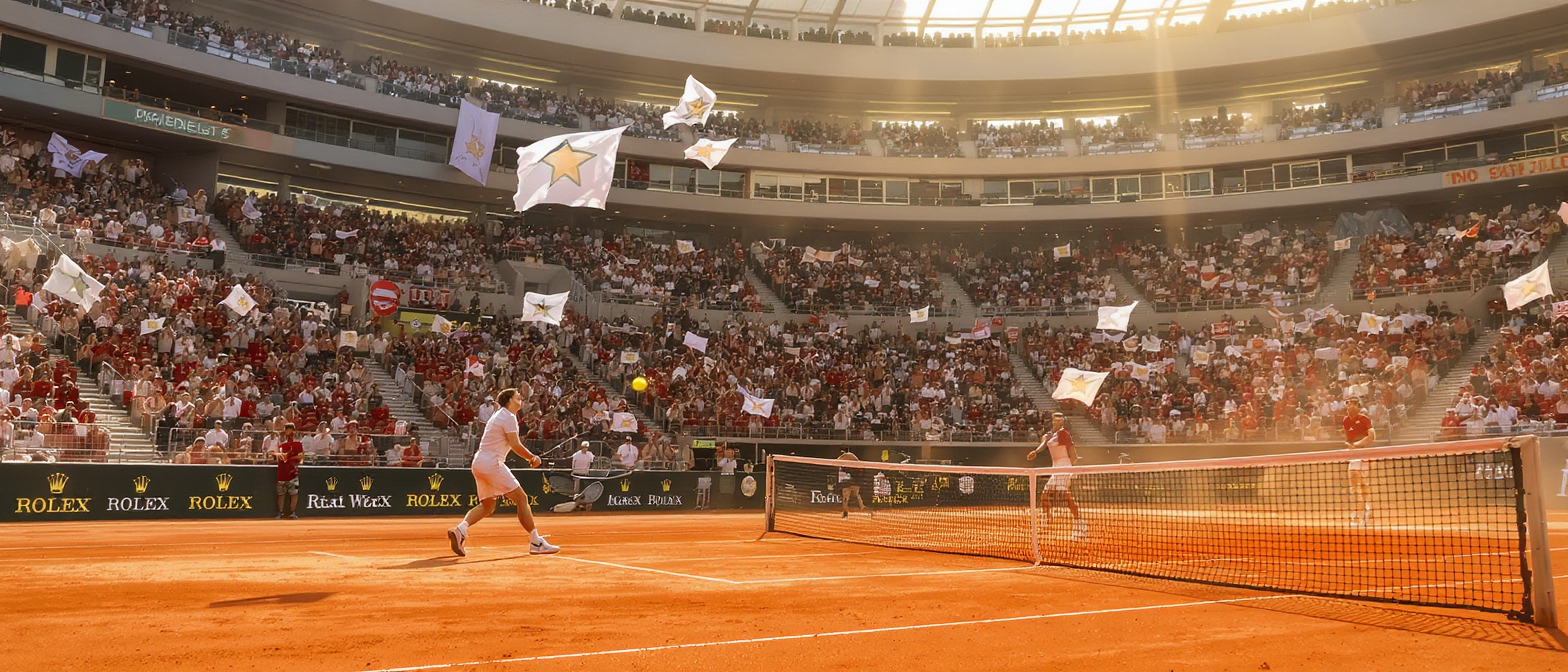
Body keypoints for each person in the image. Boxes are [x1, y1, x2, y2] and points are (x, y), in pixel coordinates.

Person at [447, 387, 558, 557]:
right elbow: (515, 445)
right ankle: (536, 542)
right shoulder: (508, 416)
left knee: (488, 506)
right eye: (517, 395)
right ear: (509, 400)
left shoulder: (499, 416)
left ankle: (460, 530)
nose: (521, 397)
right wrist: (532, 458)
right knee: (522, 498)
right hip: (492, 463)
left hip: (479, 463)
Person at [1027, 412, 1086, 541]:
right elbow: (1044, 444)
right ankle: (1047, 518)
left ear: (1062, 421)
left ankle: (1079, 521)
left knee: (1064, 495)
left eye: (1059, 419)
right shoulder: (1051, 435)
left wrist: (1072, 466)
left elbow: (1072, 450)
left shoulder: (1063, 434)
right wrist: (1035, 452)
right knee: (1045, 494)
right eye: (1055, 419)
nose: (1057, 421)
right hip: (1055, 467)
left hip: (1064, 465)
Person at [1342, 398, 1375, 526]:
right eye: (1347, 407)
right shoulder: (1345, 421)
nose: (1349, 409)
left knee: (1363, 484)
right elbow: (1347, 438)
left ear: (1357, 407)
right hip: (1353, 455)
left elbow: (1371, 437)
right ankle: (1355, 513)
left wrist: (1357, 445)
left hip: (1363, 453)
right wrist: (1348, 444)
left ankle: (1367, 509)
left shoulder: (1365, 419)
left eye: (1351, 406)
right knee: (1353, 485)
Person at [271, 423, 303, 519]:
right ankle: (280, 512)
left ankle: (292, 512)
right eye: (287, 431)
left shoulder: (298, 443)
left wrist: (289, 457)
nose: (289, 434)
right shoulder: (279, 441)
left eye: (291, 432)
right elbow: (273, 452)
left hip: (293, 471)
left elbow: (301, 456)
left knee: (294, 493)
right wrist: (279, 455)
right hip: (282, 471)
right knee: (281, 494)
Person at [835, 449, 872, 519]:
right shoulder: (846, 462)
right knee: (847, 496)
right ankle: (846, 512)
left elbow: (837, 461)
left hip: (852, 477)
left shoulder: (848, 456)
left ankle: (863, 509)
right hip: (847, 478)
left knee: (855, 495)